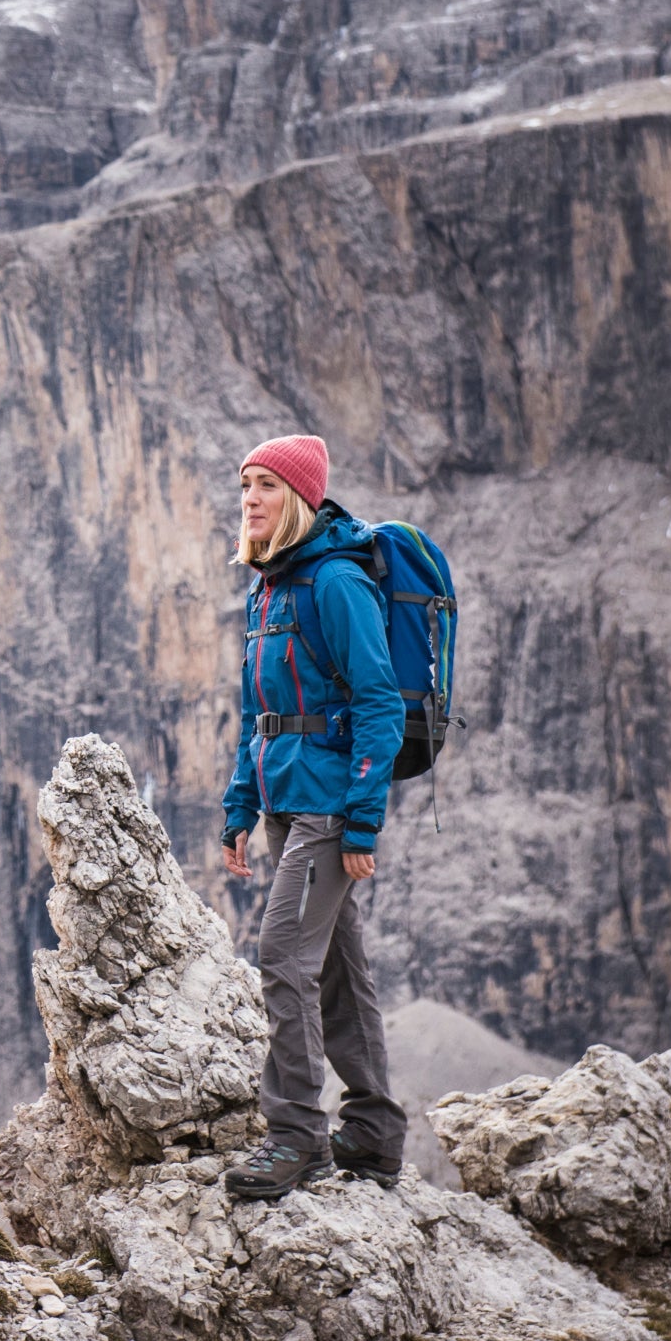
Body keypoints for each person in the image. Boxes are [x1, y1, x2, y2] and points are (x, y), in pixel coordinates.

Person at [218, 434, 410, 1198]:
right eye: (244, 487)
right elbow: (254, 711)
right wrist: (239, 804)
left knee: (281, 958)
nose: (251, 500)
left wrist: (363, 820)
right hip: (282, 802)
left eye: (266, 485)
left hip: (329, 808)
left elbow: (378, 703)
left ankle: (296, 1133)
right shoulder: (267, 586)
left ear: (298, 496)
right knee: (334, 967)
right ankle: (373, 1131)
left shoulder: (335, 582)